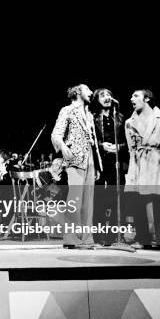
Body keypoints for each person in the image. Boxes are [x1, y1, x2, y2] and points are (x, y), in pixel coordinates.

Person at [125, 89, 160, 251]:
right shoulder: (129, 122)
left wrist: (159, 149)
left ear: (147, 98)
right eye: (131, 96)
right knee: (138, 203)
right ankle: (142, 239)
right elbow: (130, 148)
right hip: (138, 165)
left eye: (135, 96)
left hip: (157, 163)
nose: (131, 98)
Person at [51, 84, 102, 248]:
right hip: (75, 159)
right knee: (75, 200)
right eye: (88, 90)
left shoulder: (90, 115)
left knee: (89, 202)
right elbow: (56, 134)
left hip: (90, 160)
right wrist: (63, 147)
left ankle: (86, 238)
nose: (91, 92)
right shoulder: (67, 110)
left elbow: (93, 142)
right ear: (78, 92)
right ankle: (71, 238)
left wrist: (98, 164)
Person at [91, 88, 128, 245]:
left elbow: (127, 141)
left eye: (109, 95)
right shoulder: (93, 118)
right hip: (100, 162)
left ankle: (114, 236)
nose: (107, 97)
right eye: (102, 95)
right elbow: (90, 141)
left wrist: (119, 147)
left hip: (116, 162)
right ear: (97, 100)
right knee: (98, 198)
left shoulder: (120, 118)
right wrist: (102, 146)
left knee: (116, 198)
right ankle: (98, 236)